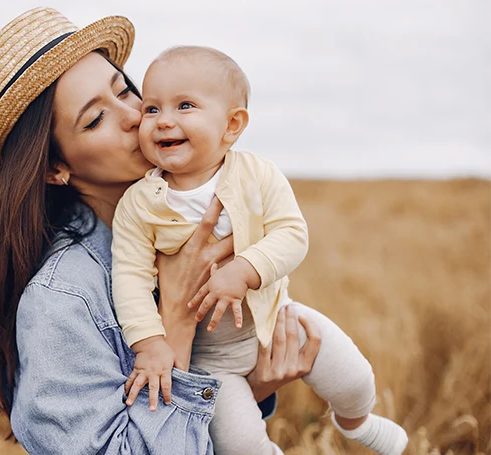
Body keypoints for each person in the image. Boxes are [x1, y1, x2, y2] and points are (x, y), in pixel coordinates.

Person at [0, 8, 321, 454]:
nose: (135, 116)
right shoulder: (62, 298)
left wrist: (253, 388)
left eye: (126, 91)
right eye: (95, 119)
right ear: (55, 167)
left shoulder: (186, 220)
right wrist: (175, 321)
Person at [111, 46, 409, 455]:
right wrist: (149, 345)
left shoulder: (256, 174)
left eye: (184, 106)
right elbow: (129, 278)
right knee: (240, 444)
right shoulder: (139, 204)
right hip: (209, 357)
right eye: (150, 109)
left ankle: (355, 420)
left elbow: (291, 232)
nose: (164, 121)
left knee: (355, 379)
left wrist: (245, 269)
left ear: (231, 125)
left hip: (276, 316)